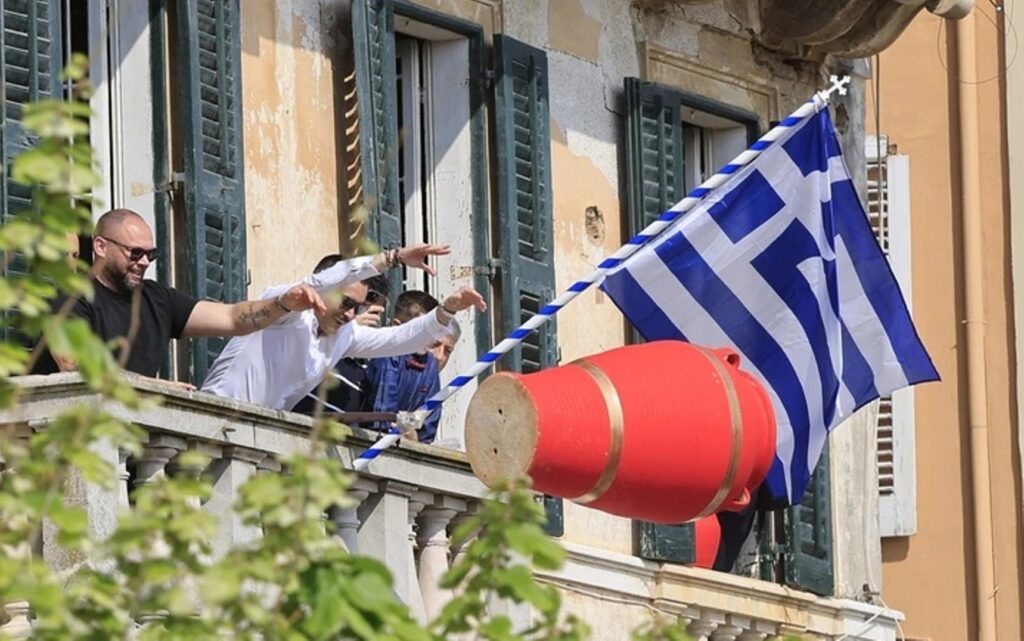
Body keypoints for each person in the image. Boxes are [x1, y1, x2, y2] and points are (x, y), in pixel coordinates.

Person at [32, 209, 326, 383]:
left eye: (150, 255)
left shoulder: (157, 299)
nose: (144, 262)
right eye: (135, 253)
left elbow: (231, 318)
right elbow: (73, 366)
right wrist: (151, 387)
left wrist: (283, 303)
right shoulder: (69, 299)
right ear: (100, 246)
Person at [200, 251, 486, 412]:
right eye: (346, 302)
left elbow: (399, 339)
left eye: (358, 307)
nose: (350, 314)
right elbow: (321, 280)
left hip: (254, 441)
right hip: (216, 414)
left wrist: (446, 310)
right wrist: (393, 257)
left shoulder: (345, 335)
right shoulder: (285, 307)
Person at [363, 291, 461, 444]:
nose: (429, 338)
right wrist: (399, 429)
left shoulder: (430, 365)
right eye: (421, 331)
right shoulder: (389, 354)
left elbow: (429, 427)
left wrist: (415, 437)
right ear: (399, 327)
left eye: (432, 331)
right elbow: (381, 417)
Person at [290, 268, 391, 415]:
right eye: (349, 304)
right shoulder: (312, 335)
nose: (351, 313)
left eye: (359, 308)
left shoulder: (368, 363)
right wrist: (348, 327)